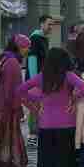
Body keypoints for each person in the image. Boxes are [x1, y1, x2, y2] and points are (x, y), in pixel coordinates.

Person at [17, 47, 84, 167]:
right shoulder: (69, 76)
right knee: (64, 158)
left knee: (46, 158)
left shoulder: (41, 77)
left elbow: (20, 90)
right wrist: (74, 97)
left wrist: (38, 102)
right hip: (67, 124)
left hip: (46, 124)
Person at [0, 34, 30, 167]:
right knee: (8, 140)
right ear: (19, 47)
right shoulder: (13, 62)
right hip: (7, 108)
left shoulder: (4, 58)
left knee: (0, 139)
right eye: (26, 47)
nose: (27, 50)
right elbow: (13, 90)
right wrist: (17, 109)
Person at [26, 15, 53, 147]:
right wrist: (34, 82)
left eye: (52, 25)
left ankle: (39, 133)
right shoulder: (35, 38)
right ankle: (32, 136)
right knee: (35, 108)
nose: (51, 27)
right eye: (49, 24)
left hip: (43, 80)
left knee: (41, 107)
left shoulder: (44, 39)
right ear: (41, 24)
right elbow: (32, 60)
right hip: (36, 82)